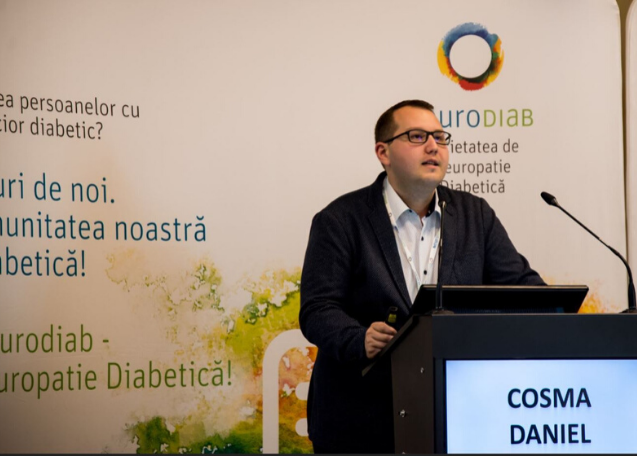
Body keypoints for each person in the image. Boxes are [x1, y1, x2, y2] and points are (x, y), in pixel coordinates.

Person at [299, 100, 544, 453]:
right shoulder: (340, 220)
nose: (433, 146)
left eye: (440, 138)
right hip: (360, 417)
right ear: (383, 152)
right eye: (417, 136)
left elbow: (525, 290)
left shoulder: (474, 214)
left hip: (456, 411)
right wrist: (358, 337)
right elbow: (318, 309)